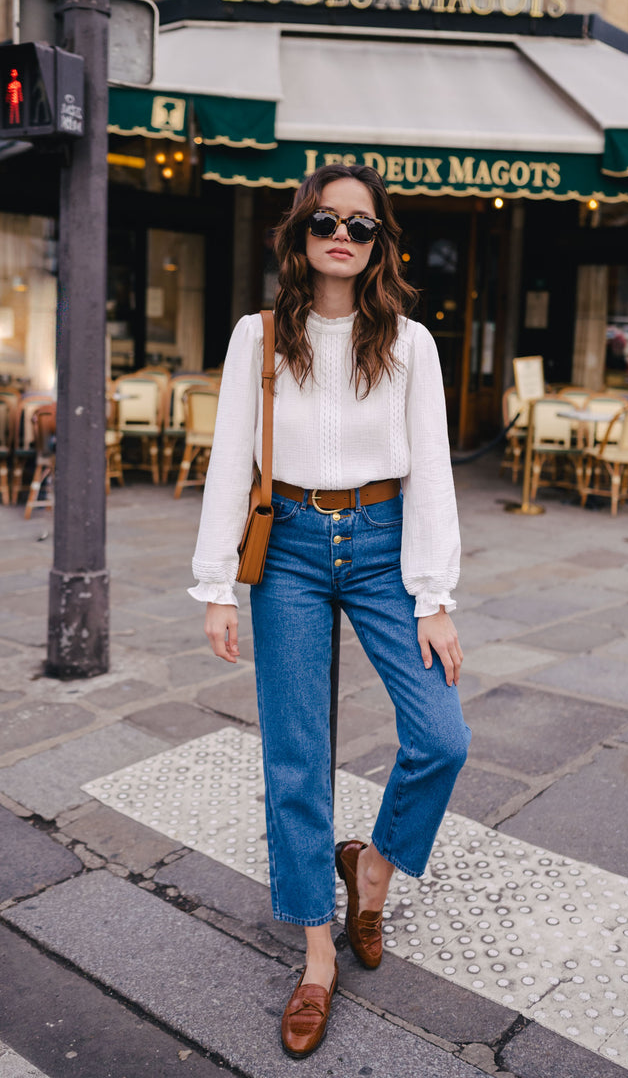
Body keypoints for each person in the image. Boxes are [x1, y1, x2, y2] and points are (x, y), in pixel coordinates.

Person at [189, 163, 470, 1058]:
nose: (341, 235)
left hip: (386, 545)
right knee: (296, 758)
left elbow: (433, 468)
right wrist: (213, 582)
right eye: (324, 221)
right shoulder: (258, 336)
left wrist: (435, 597)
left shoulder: (412, 344)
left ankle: (371, 869)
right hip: (293, 553)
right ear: (299, 235)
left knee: (442, 735)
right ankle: (317, 955)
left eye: (361, 223)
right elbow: (231, 456)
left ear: (381, 240)